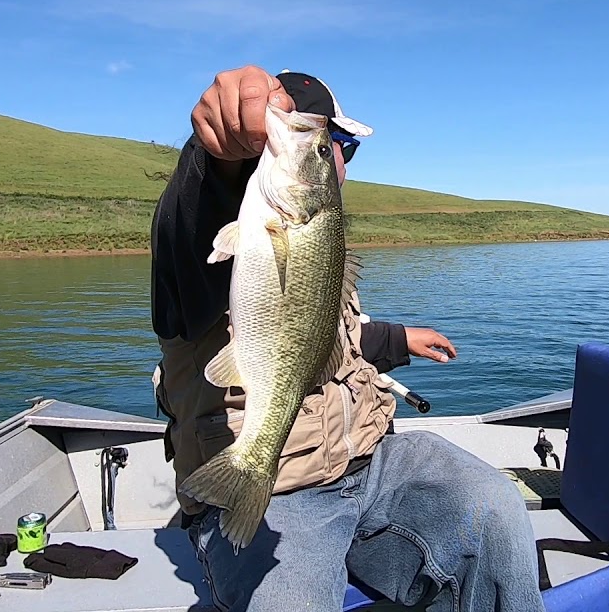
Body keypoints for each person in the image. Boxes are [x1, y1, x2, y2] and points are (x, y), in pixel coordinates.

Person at [149, 66, 546, 612]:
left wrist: (400, 339)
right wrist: (211, 155)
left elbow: (326, 339)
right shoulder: (203, 240)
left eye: (343, 146)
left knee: (496, 508)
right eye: (326, 141)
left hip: (372, 457)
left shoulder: (322, 235)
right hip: (280, 490)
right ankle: (239, 496)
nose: (336, 157)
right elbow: (188, 215)